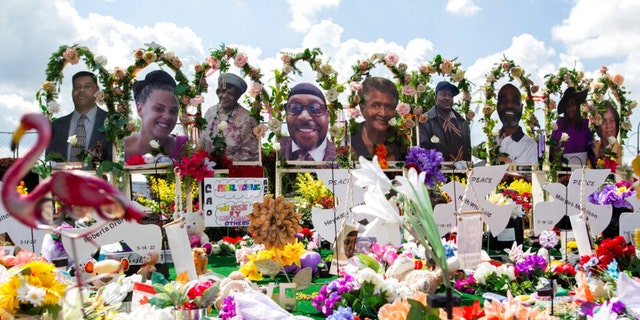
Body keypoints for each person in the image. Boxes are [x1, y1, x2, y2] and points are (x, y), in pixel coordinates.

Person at [46, 71, 112, 162]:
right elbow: (49, 163)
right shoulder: (56, 126)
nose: (81, 90)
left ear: (97, 90)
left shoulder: (111, 122)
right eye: (77, 87)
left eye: (87, 86)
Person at [124, 70, 188, 161]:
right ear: (140, 109)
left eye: (173, 111)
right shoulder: (122, 148)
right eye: (159, 109)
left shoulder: (184, 146)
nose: (167, 116)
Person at [201, 73, 260, 162]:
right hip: (207, 168)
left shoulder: (247, 119)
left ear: (237, 96)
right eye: (222, 91)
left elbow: (250, 152)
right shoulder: (210, 112)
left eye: (230, 93)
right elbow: (202, 141)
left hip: (235, 171)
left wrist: (223, 162)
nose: (224, 96)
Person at [350, 77, 405, 160]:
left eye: (388, 106)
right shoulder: (350, 141)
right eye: (376, 105)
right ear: (363, 109)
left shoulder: (401, 141)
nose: (383, 113)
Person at [279, 82, 336, 161]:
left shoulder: (344, 160)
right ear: (286, 115)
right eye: (295, 108)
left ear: (327, 116)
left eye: (316, 108)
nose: (304, 117)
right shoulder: (273, 156)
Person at [418, 81, 471, 162]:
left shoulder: (462, 122)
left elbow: (467, 151)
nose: (447, 98)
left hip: (462, 171)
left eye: (450, 95)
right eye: (443, 95)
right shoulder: (426, 120)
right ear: (435, 97)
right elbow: (424, 150)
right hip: (437, 172)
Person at [550, 87, 596, 168]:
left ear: (577, 105)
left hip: (581, 171)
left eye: (573, 105)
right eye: (567, 106)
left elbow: (590, 150)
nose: (570, 109)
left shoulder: (584, 124)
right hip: (561, 171)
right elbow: (551, 147)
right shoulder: (560, 123)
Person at [495, 84, 538, 164]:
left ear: (521, 108)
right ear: (497, 107)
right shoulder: (491, 142)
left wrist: (508, 163)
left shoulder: (530, 146)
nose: (509, 105)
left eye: (514, 101)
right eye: (504, 101)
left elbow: (532, 176)